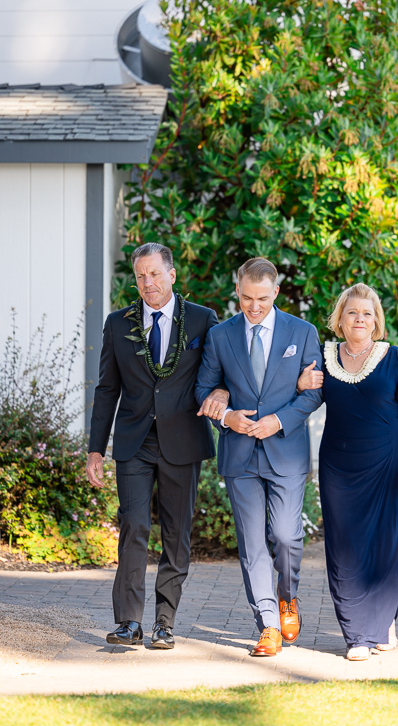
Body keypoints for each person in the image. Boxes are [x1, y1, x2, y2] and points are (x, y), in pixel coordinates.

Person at [86, 242, 226, 650]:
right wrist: (96, 449)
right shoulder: (118, 323)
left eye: (154, 274)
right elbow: (107, 388)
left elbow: (219, 373)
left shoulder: (202, 320)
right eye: (140, 275)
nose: (147, 282)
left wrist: (221, 393)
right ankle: (129, 621)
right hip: (133, 442)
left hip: (183, 440)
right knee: (133, 525)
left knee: (176, 532)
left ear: (172, 275)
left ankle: (165, 622)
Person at [195, 258, 323, 657]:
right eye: (247, 298)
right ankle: (267, 624)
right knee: (252, 544)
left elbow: (314, 392)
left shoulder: (302, 333)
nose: (254, 307)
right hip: (239, 455)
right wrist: (227, 415)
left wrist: (279, 421)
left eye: (262, 299)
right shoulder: (220, 336)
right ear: (238, 291)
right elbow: (204, 389)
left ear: (276, 293)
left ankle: (288, 597)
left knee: (285, 536)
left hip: (285, 451)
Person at [298, 282, 398, 661]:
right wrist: (301, 382)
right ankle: (357, 634)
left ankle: (382, 621)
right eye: (352, 312)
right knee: (344, 547)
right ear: (340, 318)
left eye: (367, 313)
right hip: (338, 466)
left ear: (376, 320)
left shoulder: (394, 357)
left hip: (386, 463)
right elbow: (299, 398)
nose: (360, 319)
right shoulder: (323, 357)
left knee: (385, 544)